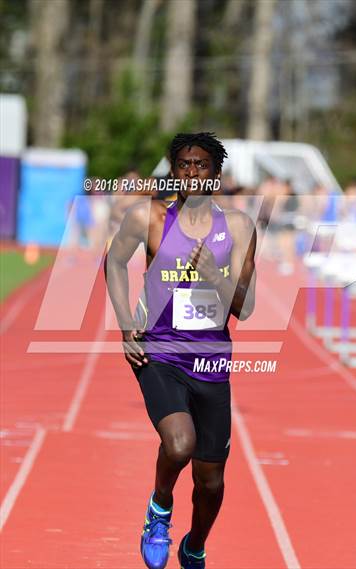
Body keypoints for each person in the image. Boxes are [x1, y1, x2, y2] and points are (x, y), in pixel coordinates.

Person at [105, 132, 256, 568]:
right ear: (173, 172)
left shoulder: (240, 228)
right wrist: (125, 324)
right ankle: (159, 508)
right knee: (178, 444)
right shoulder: (148, 218)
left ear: (216, 174)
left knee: (210, 483)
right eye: (184, 165)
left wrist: (216, 273)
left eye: (202, 165)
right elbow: (114, 261)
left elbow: (244, 309)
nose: (192, 173)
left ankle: (195, 545)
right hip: (160, 353)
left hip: (211, 361)